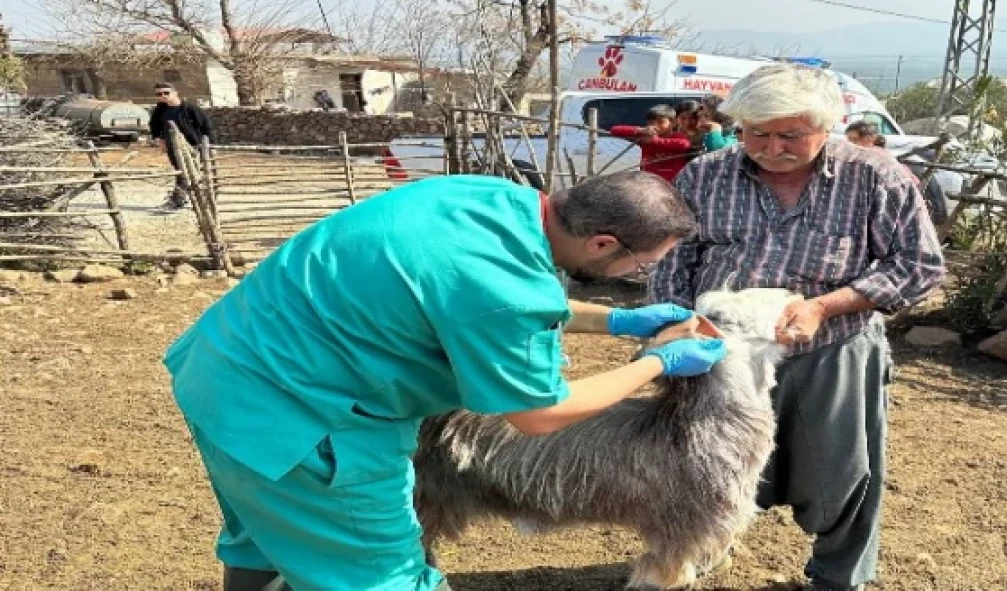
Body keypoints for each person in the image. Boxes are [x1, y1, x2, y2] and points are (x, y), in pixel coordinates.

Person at [166, 170, 727, 591]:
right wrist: (656, 362)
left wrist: (615, 320)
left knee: (263, 539)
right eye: (641, 264)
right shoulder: (506, 290)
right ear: (603, 242)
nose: (639, 276)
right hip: (303, 423)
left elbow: (469, 294)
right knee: (382, 574)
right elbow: (541, 414)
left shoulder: (489, 199)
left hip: (218, 373)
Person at [648, 63, 945, 591]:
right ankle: (703, 547)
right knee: (709, 460)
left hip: (831, 346)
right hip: (722, 350)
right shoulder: (706, 174)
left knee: (842, 469)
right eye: (756, 133)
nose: (771, 147)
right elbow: (676, 258)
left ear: (826, 126)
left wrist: (827, 306)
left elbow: (918, 265)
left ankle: (838, 577)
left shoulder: (875, 176)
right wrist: (676, 323)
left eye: (791, 134)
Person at [148, 81, 214, 209]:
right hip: (172, 147)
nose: (163, 96)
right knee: (182, 172)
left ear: (175, 93)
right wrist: (159, 139)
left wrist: (210, 146)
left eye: (166, 93)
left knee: (187, 172)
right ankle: (185, 199)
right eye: (159, 94)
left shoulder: (190, 109)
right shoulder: (160, 110)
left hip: (193, 146)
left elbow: (207, 126)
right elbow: (154, 125)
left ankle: (178, 200)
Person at [608, 104, 693, 182]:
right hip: (647, 181)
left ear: (673, 123)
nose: (655, 126)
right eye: (651, 123)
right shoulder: (645, 136)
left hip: (670, 183)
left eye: (661, 122)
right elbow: (614, 130)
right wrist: (641, 130)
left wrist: (655, 141)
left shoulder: (677, 137)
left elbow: (684, 145)